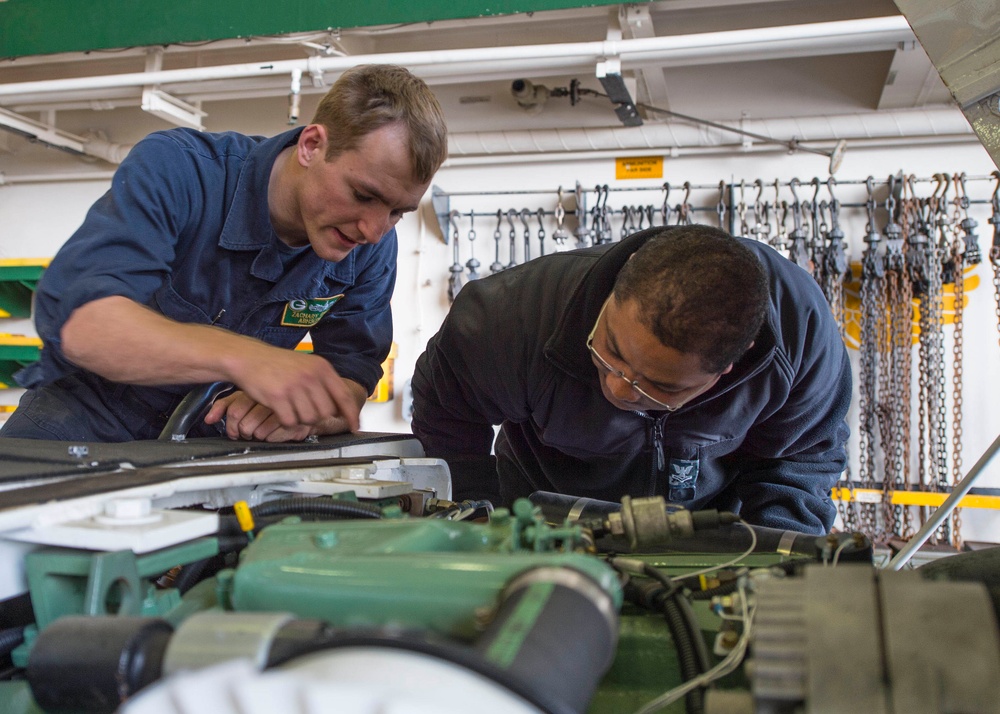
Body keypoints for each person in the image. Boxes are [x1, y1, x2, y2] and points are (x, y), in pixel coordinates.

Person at [0, 64, 448, 443]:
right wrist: (245, 357)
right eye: (363, 194)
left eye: (397, 211)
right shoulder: (180, 171)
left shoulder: (369, 247)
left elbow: (353, 371)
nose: (373, 230)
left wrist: (309, 412)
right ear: (313, 145)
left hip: (216, 442)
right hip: (78, 424)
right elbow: (84, 325)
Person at [411, 225, 851, 534]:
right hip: (540, 521)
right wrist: (481, 519)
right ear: (615, 293)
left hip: (712, 531)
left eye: (659, 387)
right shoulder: (517, 317)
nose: (619, 390)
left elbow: (802, 458)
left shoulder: (798, 335)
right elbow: (446, 409)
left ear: (727, 370)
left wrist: (769, 556)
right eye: (611, 352)